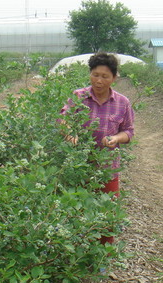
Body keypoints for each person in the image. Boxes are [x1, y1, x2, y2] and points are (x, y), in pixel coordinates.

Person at [60, 52, 135, 244]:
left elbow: (128, 132)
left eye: (105, 76)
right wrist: (70, 134)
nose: (99, 80)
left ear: (114, 78)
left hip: (107, 168)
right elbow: (63, 120)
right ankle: (80, 254)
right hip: (79, 167)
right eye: (95, 75)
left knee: (107, 213)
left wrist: (116, 138)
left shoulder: (122, 103)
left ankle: (103, 257)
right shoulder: (79, 97)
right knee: (79, 210)